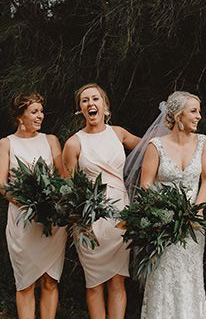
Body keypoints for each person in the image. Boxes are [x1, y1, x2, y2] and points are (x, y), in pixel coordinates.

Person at [62, 83, 140, 319]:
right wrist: (81, 222)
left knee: (117, 280)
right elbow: (68, 190)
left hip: (120, 217)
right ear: (80, 109)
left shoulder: (119, 133)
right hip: (89, 222)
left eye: (95, 98)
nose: (90, 103)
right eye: (85, 100)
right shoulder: (73, 143)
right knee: (94, 282)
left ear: (105, 105)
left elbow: (152, 149)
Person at [139, 91, 206, 319]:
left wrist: (197, 210)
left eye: (199, 111)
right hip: (164, 224)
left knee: (190, 276)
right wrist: (163, 212)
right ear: (178, 115)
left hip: (193, 225)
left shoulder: (202, 142)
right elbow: (146, 184)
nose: (199, 116)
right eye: (193, 111)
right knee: (163, 276)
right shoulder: (156, 145)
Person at [0, 92, 67, 319]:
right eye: (34, 112)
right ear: (20, 116)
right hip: (23, 222)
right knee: (25, 283)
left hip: (51, 223)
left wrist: (51, 205)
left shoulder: (51, 140)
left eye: (41, 111)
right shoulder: (6, 143)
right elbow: (1, 184)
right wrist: (31, 206)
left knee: (50, 280)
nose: (40, 116)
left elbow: (62, 177)